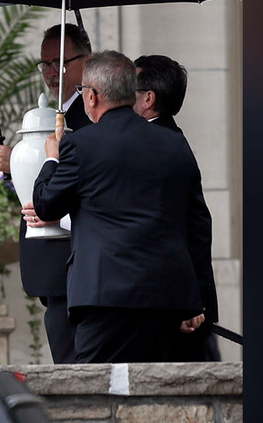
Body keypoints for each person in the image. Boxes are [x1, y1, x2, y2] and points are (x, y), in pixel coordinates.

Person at [30, 51, 217, 363]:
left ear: (92, 96)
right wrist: (195, 299)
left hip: (106, 298)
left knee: (97, 388)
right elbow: (198, 224)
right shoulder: (174, 143)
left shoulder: (81, 145)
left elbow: (46, 204)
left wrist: (52, 157)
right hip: (166, 298)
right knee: (157, 389)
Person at [0, 23, 92, 364]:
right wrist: (15, 169)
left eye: (60, 63)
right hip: (51, 266)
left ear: (86, 61)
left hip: (74, 263)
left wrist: (20, 162)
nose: (51, 73)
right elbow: (35, 192)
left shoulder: (88, 116)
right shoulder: (54, 115)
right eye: (45, 64)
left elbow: (75, 185)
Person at [134, 54, 220, 361]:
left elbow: (178, 229)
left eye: (127, 88)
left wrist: (189, 300)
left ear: (148, 99)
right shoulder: (162, 139)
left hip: (177, 305)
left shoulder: (160, 144)